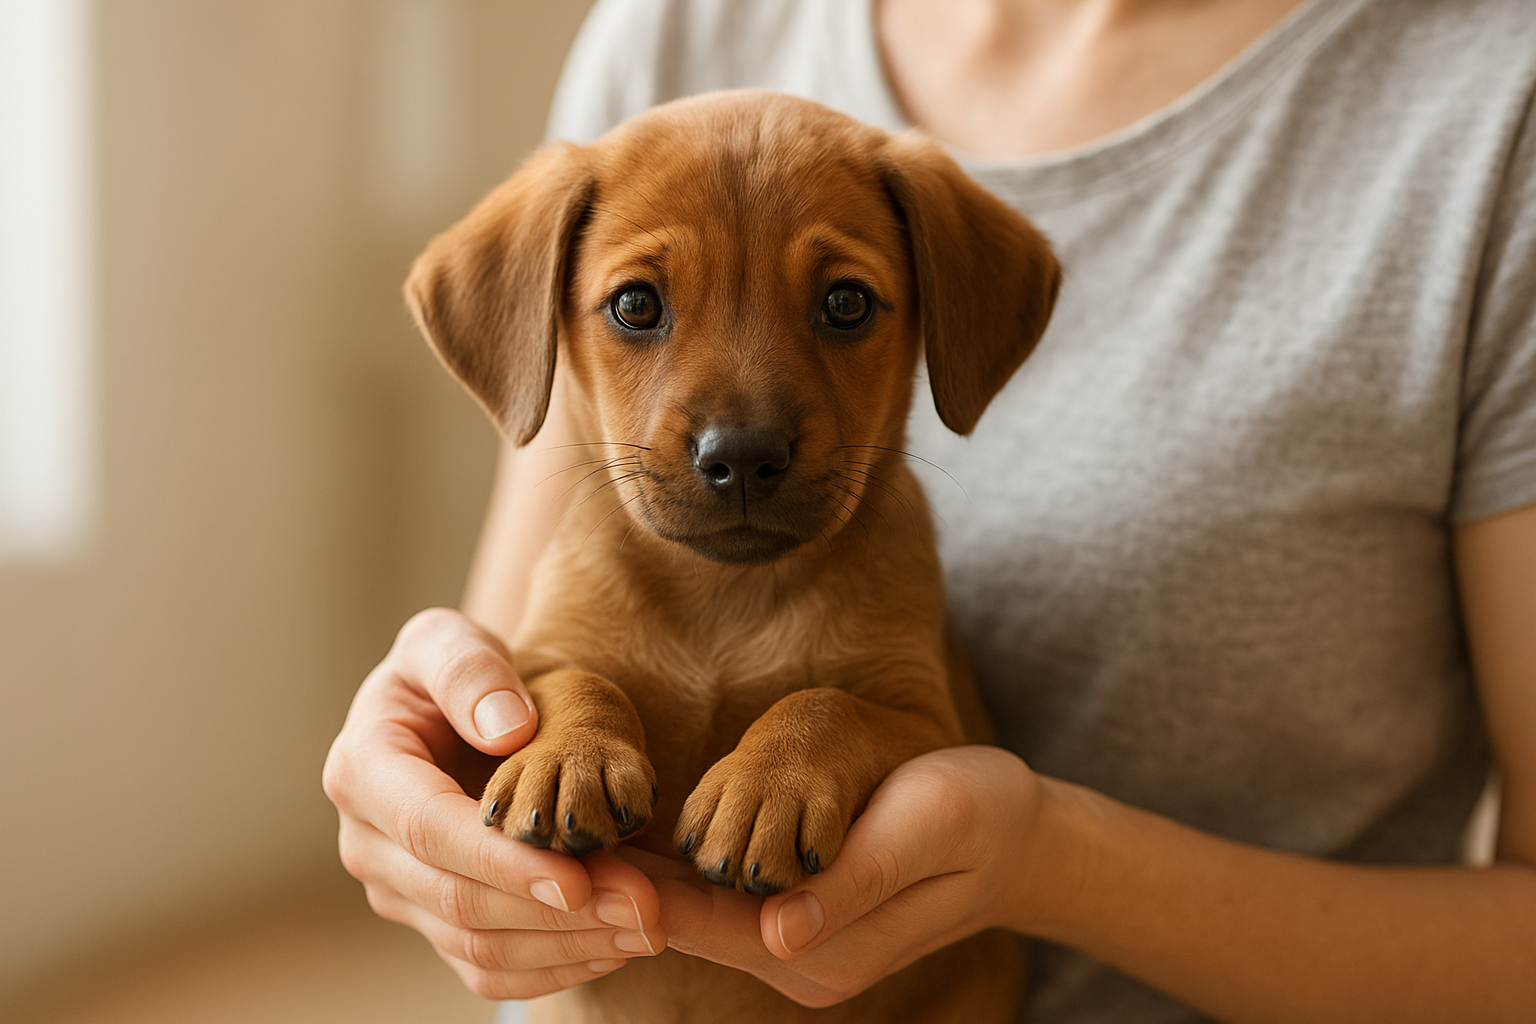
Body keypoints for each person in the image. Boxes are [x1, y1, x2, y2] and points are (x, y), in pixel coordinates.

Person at [321, 0, 1536, 1020]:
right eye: (641, 310)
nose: (739, 430)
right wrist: (457, 801)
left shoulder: (1491, 107)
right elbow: (524, 699)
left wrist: (1048, 862)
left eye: (843, 308)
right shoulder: (669, 34)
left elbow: (901, 716)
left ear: (945, 316)